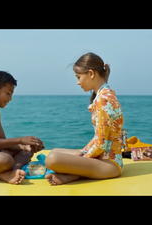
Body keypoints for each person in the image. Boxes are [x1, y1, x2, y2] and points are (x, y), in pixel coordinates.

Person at [45, 53, 124, 185]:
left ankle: (76, 173)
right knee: (54, 151)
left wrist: (82, 157)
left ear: (91, 74)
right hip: (101, 158)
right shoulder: (104, 95)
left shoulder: (104, 100)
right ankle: (74, 175)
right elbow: (99, 139)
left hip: (109, 164)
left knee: (51, 159)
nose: (78, 82)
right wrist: (82, 152)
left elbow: (101, 145)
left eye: (79, 77)